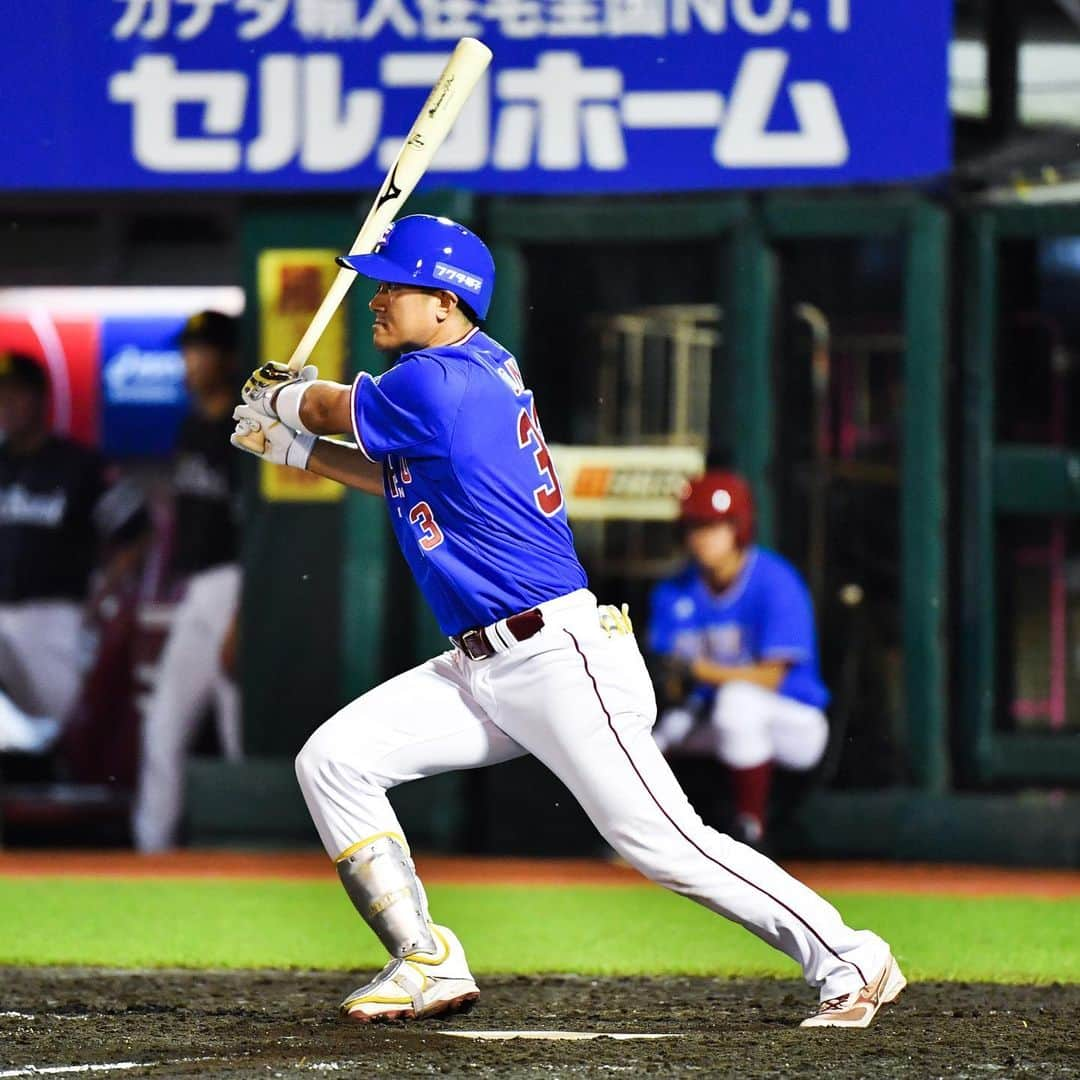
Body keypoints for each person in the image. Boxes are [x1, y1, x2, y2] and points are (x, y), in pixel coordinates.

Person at [230, 215, 905, 1030]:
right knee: (334, 760)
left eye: (394, 283)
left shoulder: (439, 381)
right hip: (482, 664)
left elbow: (335, 406)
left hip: (557, 657)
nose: (376, 295)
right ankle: (425, 958)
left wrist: (285, 397)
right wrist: (292, 447)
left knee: (664, 843)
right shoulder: (460, 375)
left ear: (445, 303)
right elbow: (391, 474)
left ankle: (848, 955)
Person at [648, 471, 830, 847]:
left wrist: (698, 671)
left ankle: (751, 830)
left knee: (738, 702)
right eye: (694, 526)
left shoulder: (775, 580)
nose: (702, 537)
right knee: (643, 738)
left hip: (794, 721)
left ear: (739, 527)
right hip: (709, 714)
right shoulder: (674, 590)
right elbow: (665, 669)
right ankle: (645, 840)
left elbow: (772, 678)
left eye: (714, 526)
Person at [132, 311, 243, 853]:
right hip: (198, 589)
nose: (190, 362)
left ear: (227, 356)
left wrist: (241, 621)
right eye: (188, 351)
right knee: (163, 725)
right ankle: (151, 856)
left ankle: (261, 858)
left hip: (238, 588)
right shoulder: (190, 428)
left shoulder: (246, 430)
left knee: (240, 731)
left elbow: (258, 535)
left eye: (202, 351)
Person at [0, 352, 107, 751]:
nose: (7, 404)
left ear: (40, 398)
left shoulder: (77, 464)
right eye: (1, 395)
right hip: (3, 610)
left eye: (16, 394)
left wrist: (104, 591)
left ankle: (72, 800)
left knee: (64, 727)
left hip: (54, 615)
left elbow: (136, 532)